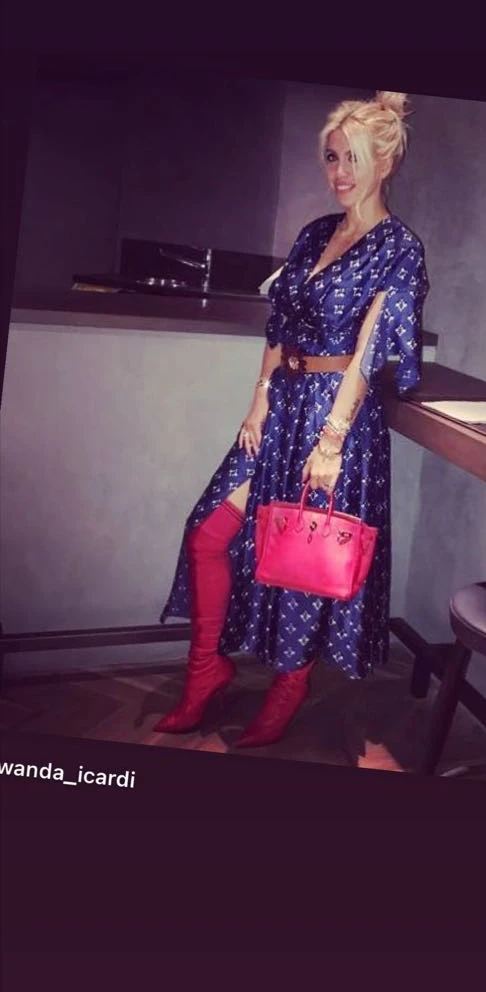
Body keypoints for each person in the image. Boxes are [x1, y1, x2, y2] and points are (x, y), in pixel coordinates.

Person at [155, 89, 429, 748]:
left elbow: (369, 352)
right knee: (207, 533)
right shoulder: (314, 234)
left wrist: (331, 440)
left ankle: (289, 687)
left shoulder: (400, 247)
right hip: (282, 404)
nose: (340, 172)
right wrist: (258, 399)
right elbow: (281, 323)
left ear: (386, 162)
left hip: (338, 419)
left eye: (353, 157)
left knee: (303, 559)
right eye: (332, 157)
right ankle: (207, 671)